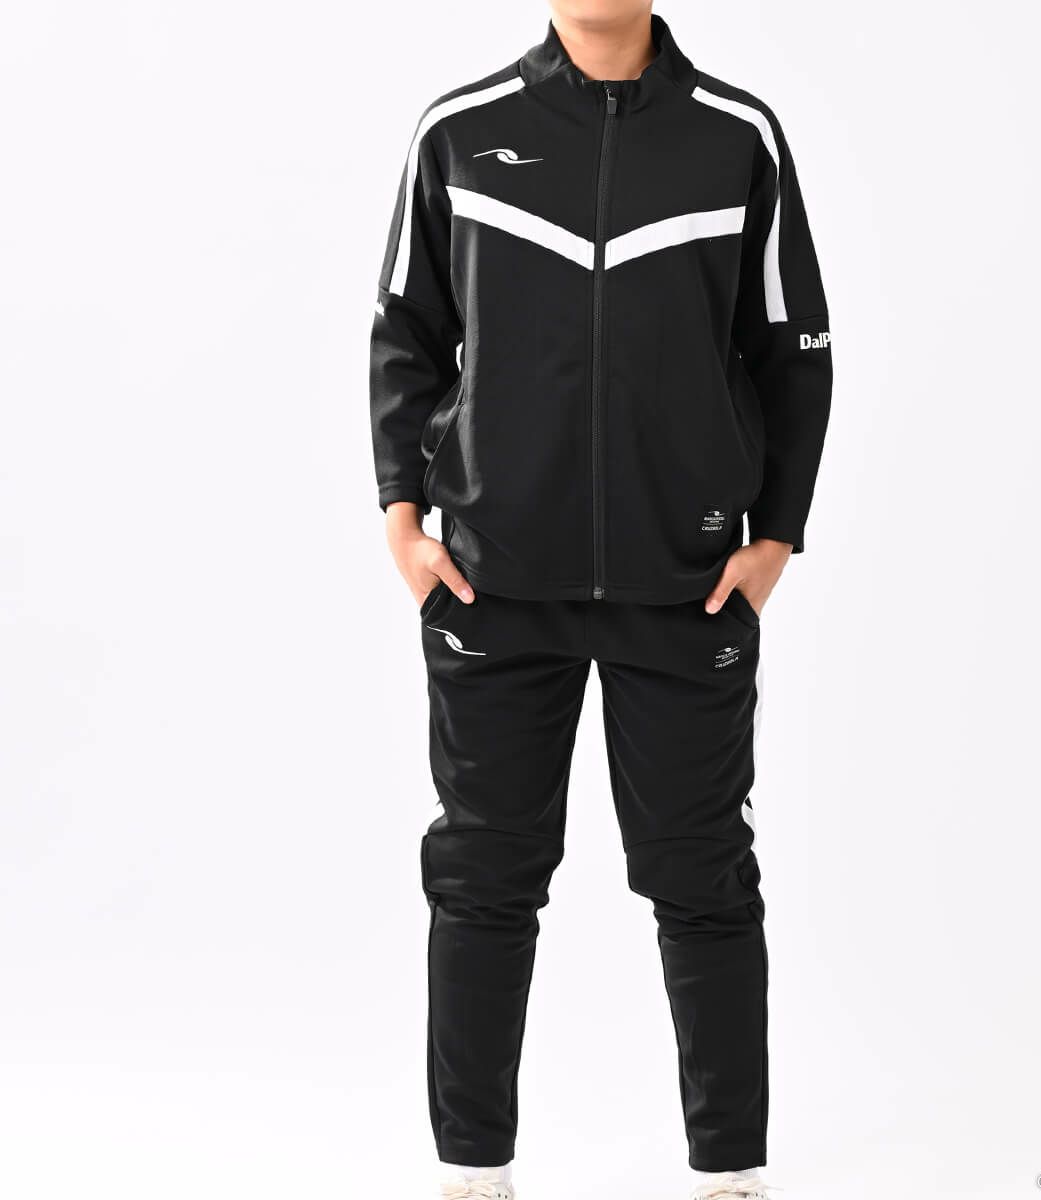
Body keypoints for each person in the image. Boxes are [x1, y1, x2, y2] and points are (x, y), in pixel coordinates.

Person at [369, 0, 831, 1195]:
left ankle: (730, 1177)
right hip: (493, 583)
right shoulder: (460, 132)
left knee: (703, 877)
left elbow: (795, 348)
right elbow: (405, 333)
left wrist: (776, 536)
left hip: (686, 588)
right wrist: (403, 519)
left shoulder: (736, 137)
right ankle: (474, 1173)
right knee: (483, 878)